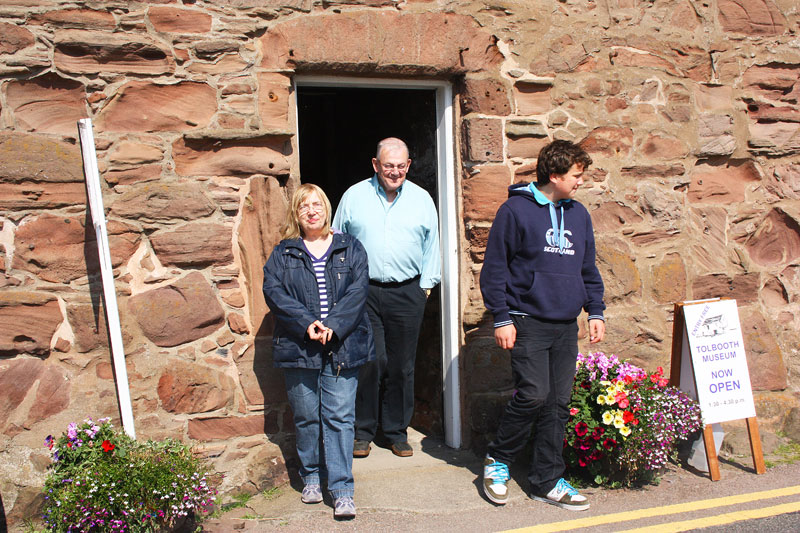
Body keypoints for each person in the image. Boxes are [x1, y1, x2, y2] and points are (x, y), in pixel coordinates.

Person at [479, 140, 606, 510]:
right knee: (533, 394)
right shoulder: (514, 211)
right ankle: (498, 460)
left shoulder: (579, 214)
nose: (581, 182)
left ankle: (546, 480)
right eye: (576, 175)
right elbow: (495, 270)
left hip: (565, 324)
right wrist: (501, 317)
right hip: (526, 320)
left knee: (557, 404)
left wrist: (594, 310)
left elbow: (588, 268)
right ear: (555, 175)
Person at [263, 183, 374, 520]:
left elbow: (358, 290)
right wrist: (306, 322)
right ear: (296, 214)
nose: (312, 211)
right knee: (307, 416)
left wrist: (333, 325)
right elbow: (274, 292)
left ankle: (342, 490)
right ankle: (311, 474)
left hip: (342, 345)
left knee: (340, 418)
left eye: (317, 204)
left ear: (326, 208)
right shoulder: (283, 253)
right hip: (300, 346)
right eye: (303, 206)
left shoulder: (350, 247)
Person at [332, 137, 441, 458]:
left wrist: (426, 285)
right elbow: (338, 240)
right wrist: (342, 286)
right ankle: (363, 431)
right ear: (375, 165)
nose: (394, 172)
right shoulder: (354, 196)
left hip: (408, 292)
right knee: (370, 362)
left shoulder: (421, 199)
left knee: (402, 366)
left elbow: (432, 244)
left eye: (400, 166)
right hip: (363, 292)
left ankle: (395, 432)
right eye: (388, 166)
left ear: (408, 165)